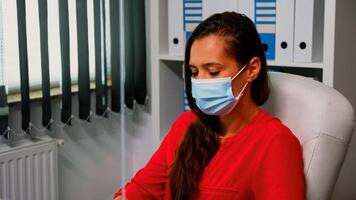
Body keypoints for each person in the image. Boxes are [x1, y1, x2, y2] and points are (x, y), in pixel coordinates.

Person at [114, 12, 305, 200]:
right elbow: (140, 191)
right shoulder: (186, 124)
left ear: (252, 69)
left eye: (213, 72)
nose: (200, 82)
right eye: (194, 72)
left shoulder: (275, 143)